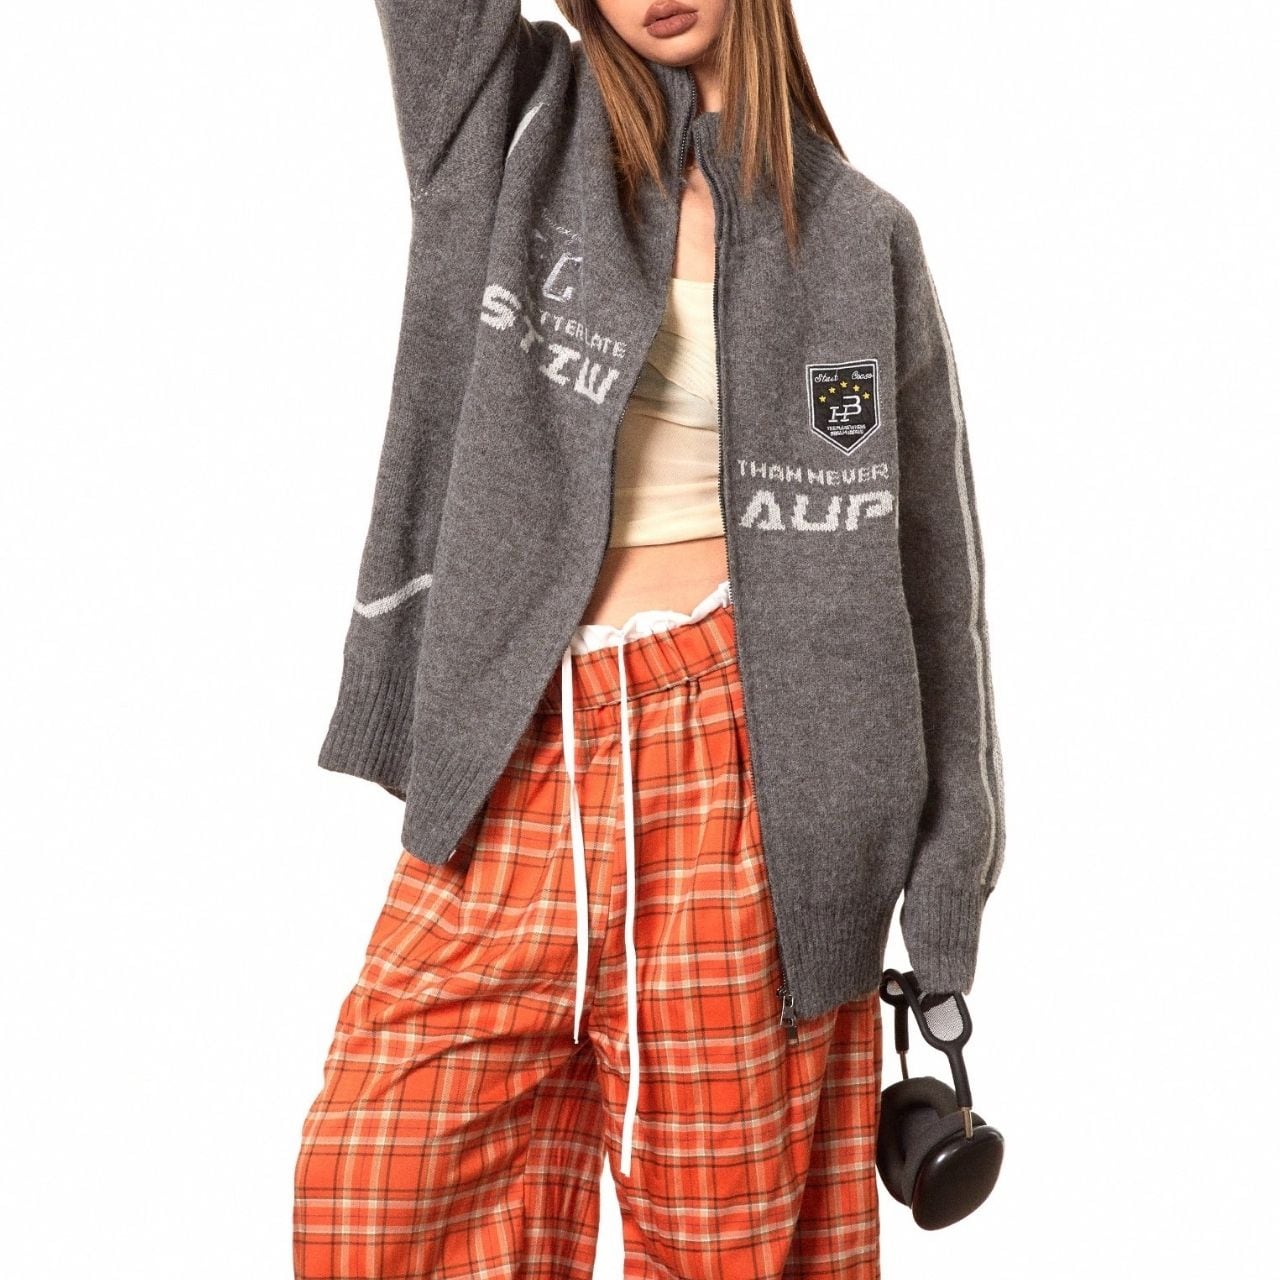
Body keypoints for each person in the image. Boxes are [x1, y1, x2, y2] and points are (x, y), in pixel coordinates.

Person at [293, 1, 1006, 1276]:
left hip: (754, 787)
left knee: (724, 1248)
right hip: (519, 754)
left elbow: (933, 583)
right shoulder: (509, 123)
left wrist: (945, 897)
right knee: (374, 1195)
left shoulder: (861, 236)